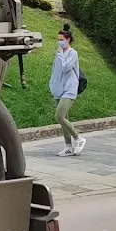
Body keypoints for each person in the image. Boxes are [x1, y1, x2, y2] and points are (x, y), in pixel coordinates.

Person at [48, 24, 86, 157]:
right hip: (58, 89)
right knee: (63, 119)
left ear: (68, 39)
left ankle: (78, 138)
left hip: (69, 89)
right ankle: (68, 146)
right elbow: (56, 70)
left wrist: (60, 55)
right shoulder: (58, 54)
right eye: (58, 39)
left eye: (61, 39)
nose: (59, 42)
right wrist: (52, 84)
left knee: (59, 116)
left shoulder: (72, 53)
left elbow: (66, 68)